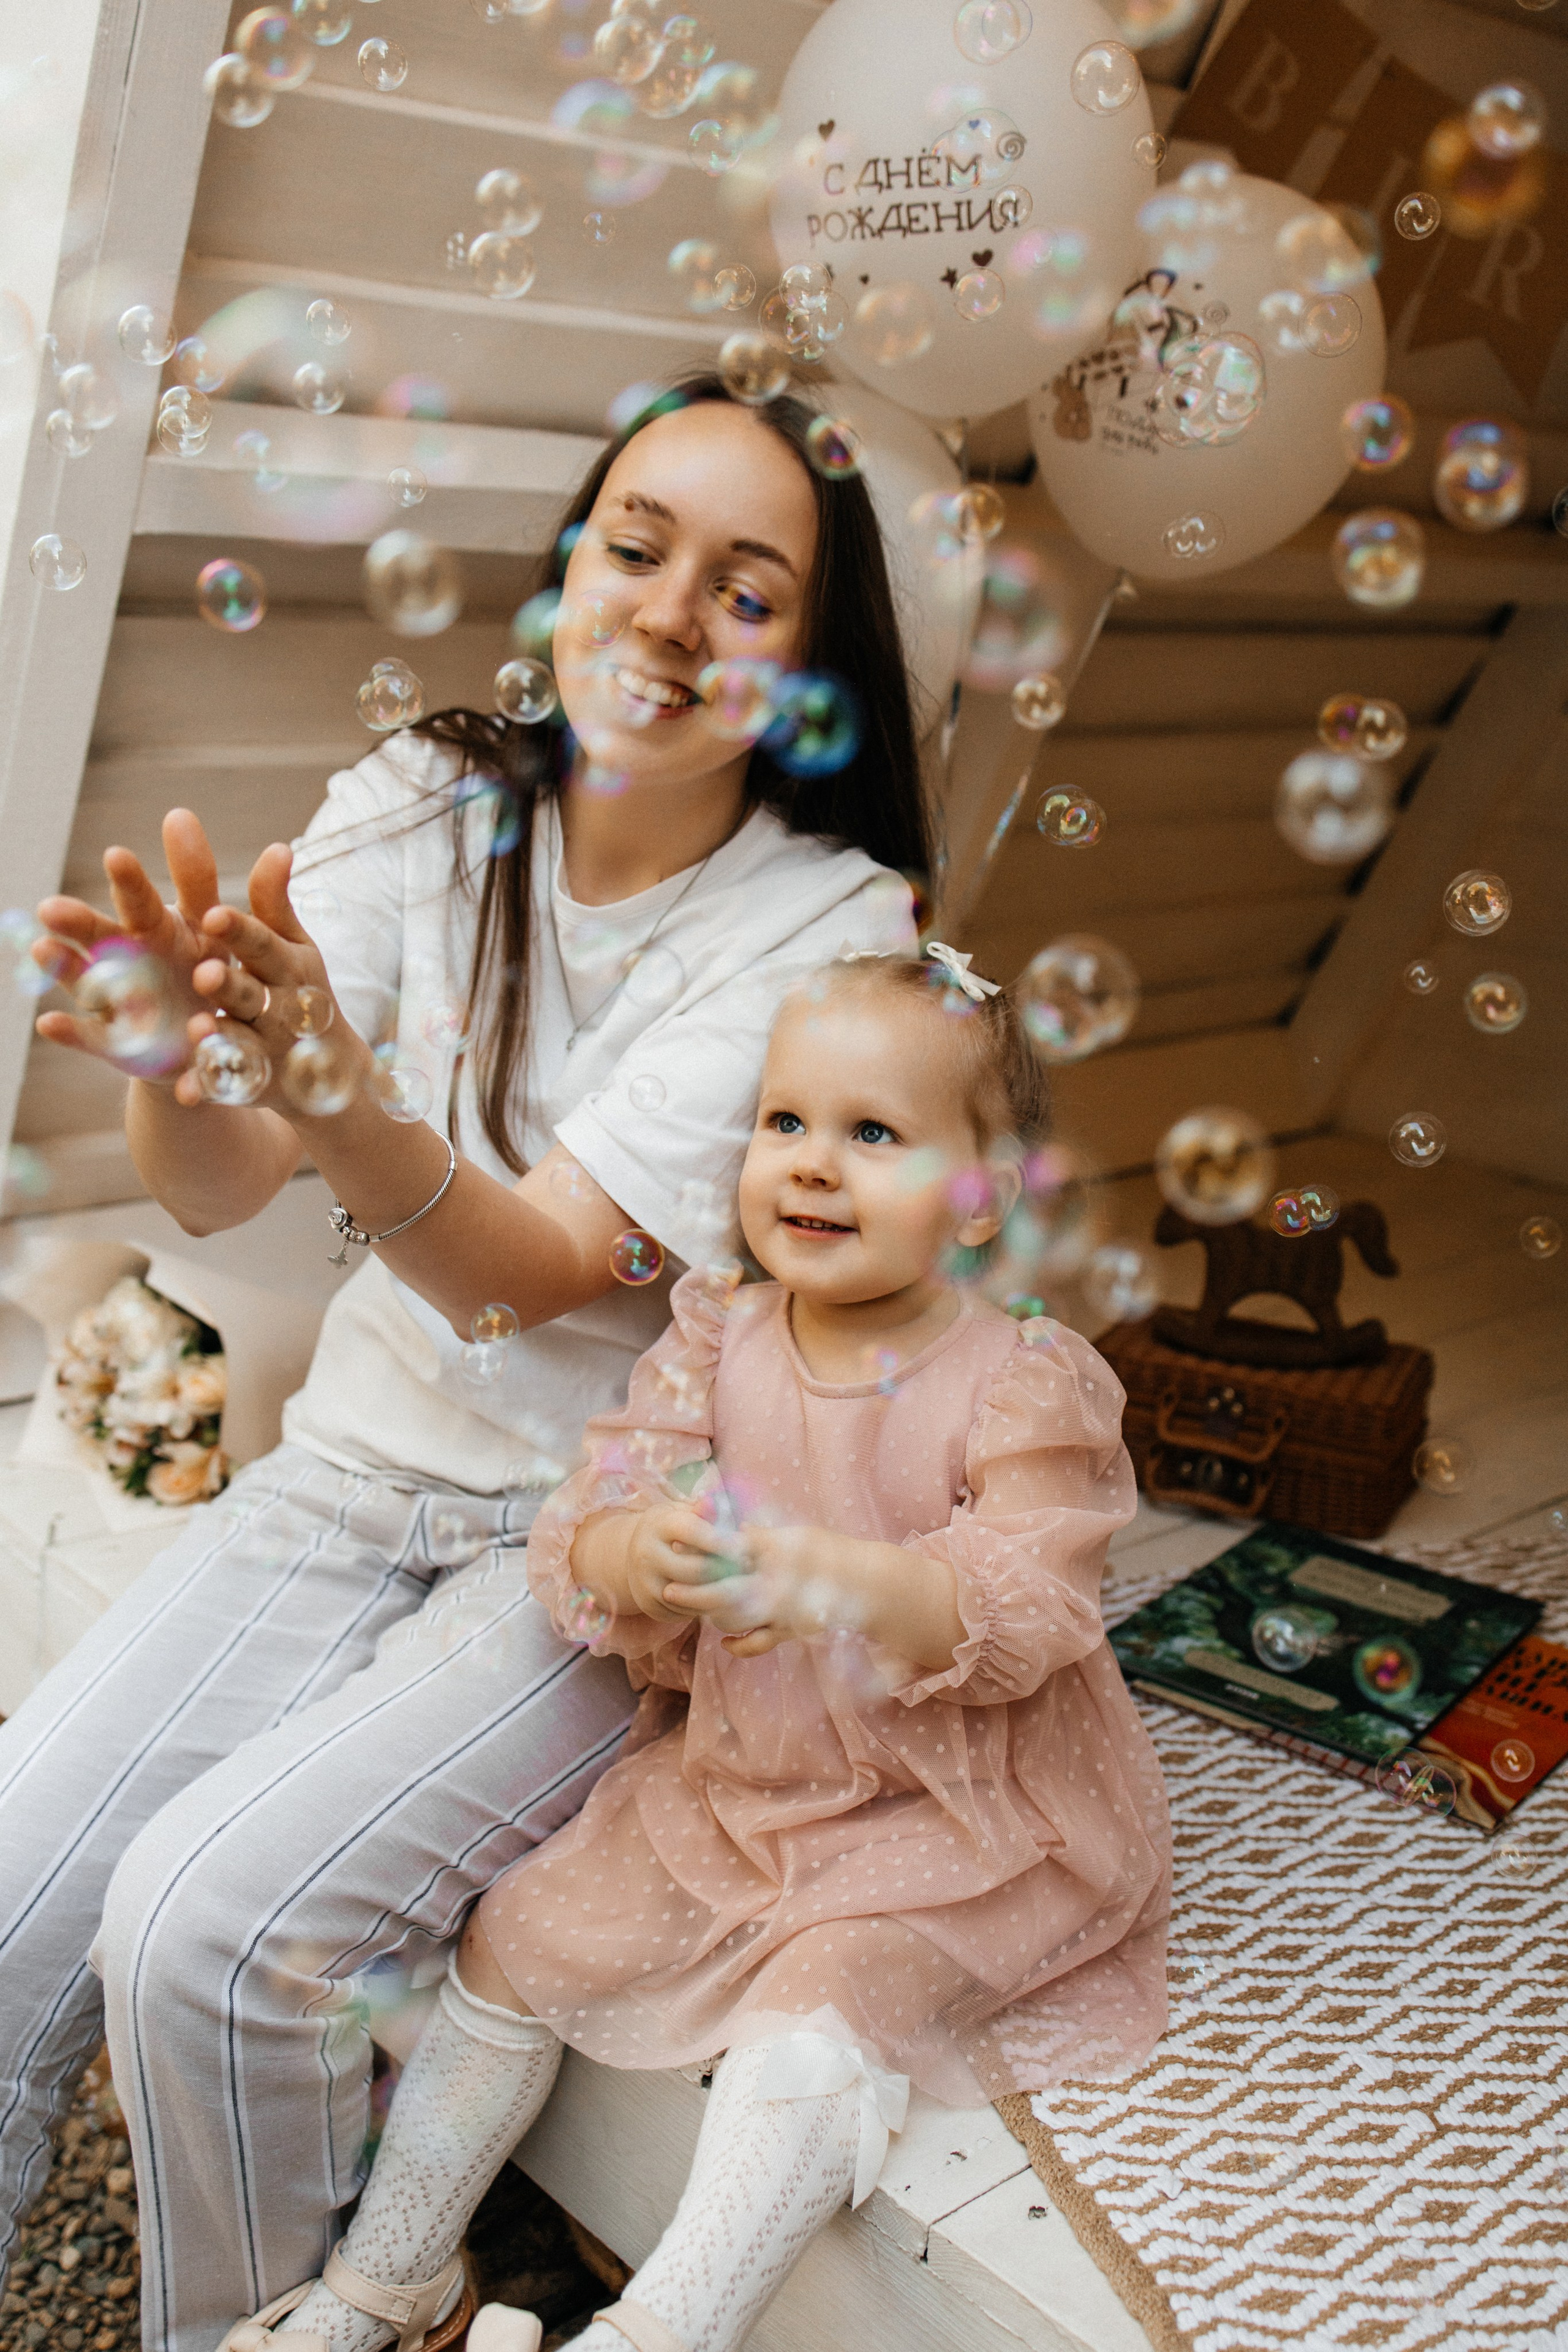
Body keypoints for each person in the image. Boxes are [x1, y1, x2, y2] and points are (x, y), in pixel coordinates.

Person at [0, 376, 926, 2352]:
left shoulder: (827, 926)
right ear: (568, 570)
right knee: (6, 1894)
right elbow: (223, 1175)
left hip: (597, 1540)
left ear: (813, 666)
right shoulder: (428, 798)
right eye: (636, 548)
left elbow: (532, 1275)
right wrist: (185, 1065)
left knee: (207, 1932)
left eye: (748, 592)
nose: (670, 612)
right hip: (347, 1476)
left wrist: (331, 1086)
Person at [223, 947, 1172, 2352]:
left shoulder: (1019, 1375)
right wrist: (632, 1551)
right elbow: (597, 1508)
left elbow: (1033, 1600)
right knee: (517, 1932)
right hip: (747, 1780)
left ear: (979, 1194)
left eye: (872, 1133)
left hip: (954, 1812)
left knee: (821, 2006)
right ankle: (391, 2275)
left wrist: (848, 1580)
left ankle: (658, 2331)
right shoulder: (719, 1331)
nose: (810, 1163)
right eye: (784, 1121)